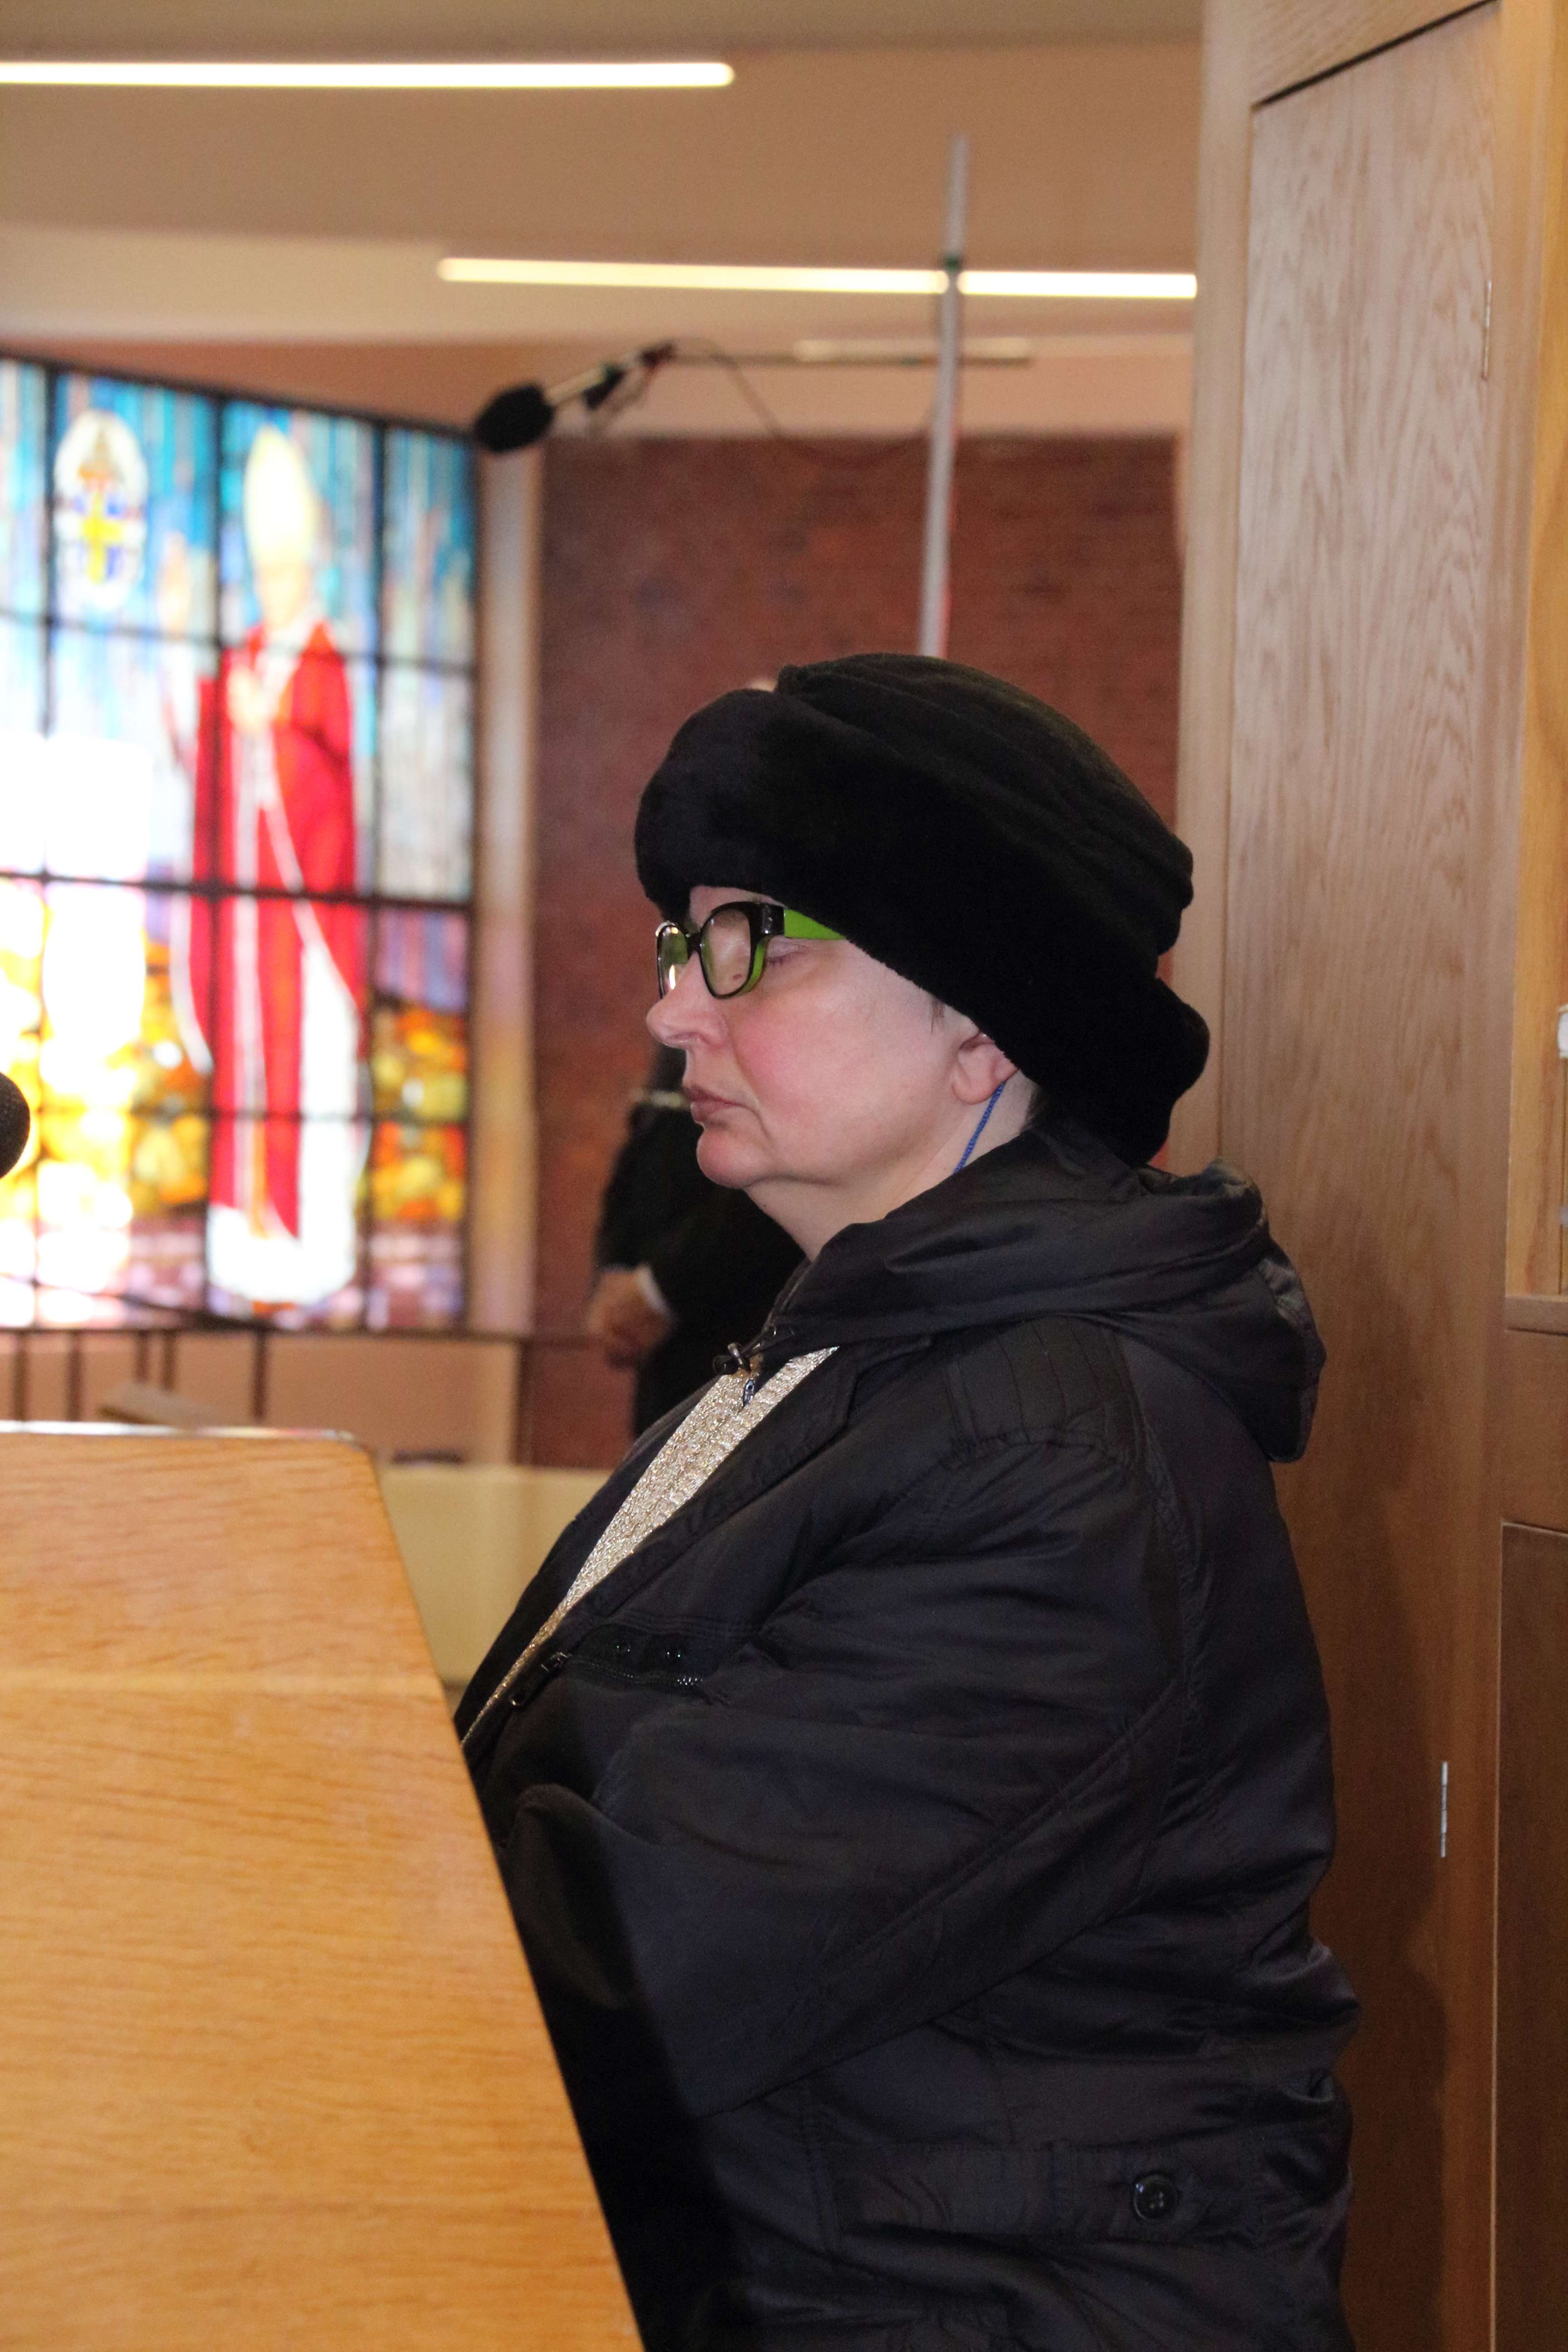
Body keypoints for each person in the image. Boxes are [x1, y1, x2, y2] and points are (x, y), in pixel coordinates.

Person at [458, 655, 1358, 2352]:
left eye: (750, 941)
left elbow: (624, 1966)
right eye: (679, 945)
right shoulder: (844, 1359)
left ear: (982, 1025)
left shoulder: (1057, 1458)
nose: (675, 1012)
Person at [174, 423, 362, 1308]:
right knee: (247, 1074)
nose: (272, 587)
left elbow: (332, 776)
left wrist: (272, 732)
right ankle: (242, 1237)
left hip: (302, 913)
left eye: (284, 572)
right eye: (263, 573)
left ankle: (305, 1242)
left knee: (304, 1071)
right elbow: (201, 750)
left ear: (308, 567)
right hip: (248, 916)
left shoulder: (323, 657)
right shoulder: (246, 653)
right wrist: (185, 645)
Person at [586, 1043, 802, 1433]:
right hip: (666, 1361)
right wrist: (614, 1270)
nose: (667, 1019)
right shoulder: (676, 1049)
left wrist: (658, 1288)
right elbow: (647, 1141)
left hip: (742, 1336)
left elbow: (767, 1176)